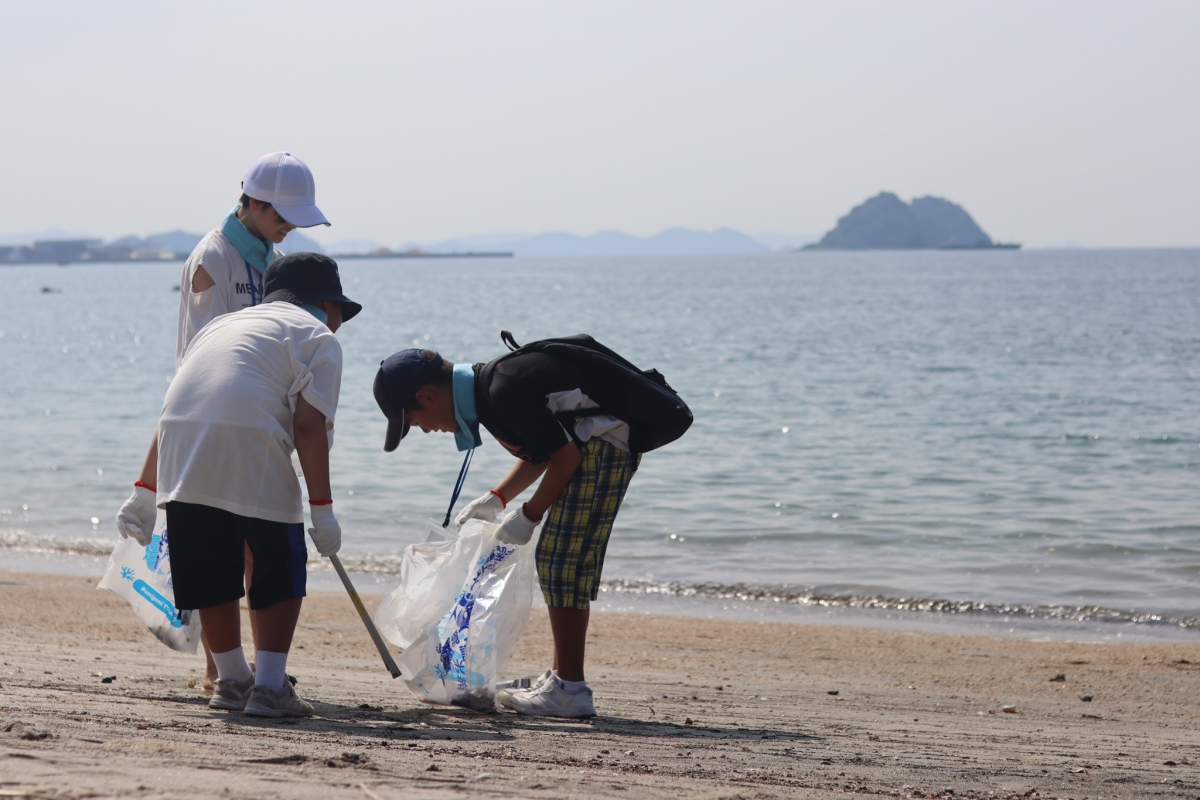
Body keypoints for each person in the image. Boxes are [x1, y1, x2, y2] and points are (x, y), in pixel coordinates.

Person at [115, 152, 330, 689]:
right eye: (282, 215)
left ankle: (251, 668)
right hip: (212, 418)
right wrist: (147, 485)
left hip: (258, 422)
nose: (288, 227)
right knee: (226, 550)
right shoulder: (214, 256)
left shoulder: (269, 255)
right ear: (251, 202)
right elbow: (197, 373)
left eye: (295, 220)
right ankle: (220, 671)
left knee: (258, 547)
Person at [137, 252, 359, 716]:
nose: (341, 322)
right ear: (326, 304)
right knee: (278, 562)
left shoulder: (221, 326)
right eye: (342, 311)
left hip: (181, 444)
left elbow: (177, 404)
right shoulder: (318, 336)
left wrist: (144, 489)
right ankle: (271, 687)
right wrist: (323, 511)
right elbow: (309, 428)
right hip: (248, 439)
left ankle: (233, 680)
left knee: (210, 565)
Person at [372, 346, 644, 718]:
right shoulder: (490, 390)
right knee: (562, 559)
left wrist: (529, 515)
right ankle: (563, 681)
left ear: (427, 396)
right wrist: (498, 498)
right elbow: (544, 450)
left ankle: (569, 689)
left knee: (561, 559)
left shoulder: (501, 392)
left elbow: (567, 458)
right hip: (597, 444)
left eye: (416, 421)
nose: (424, 429)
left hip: (607, 444)